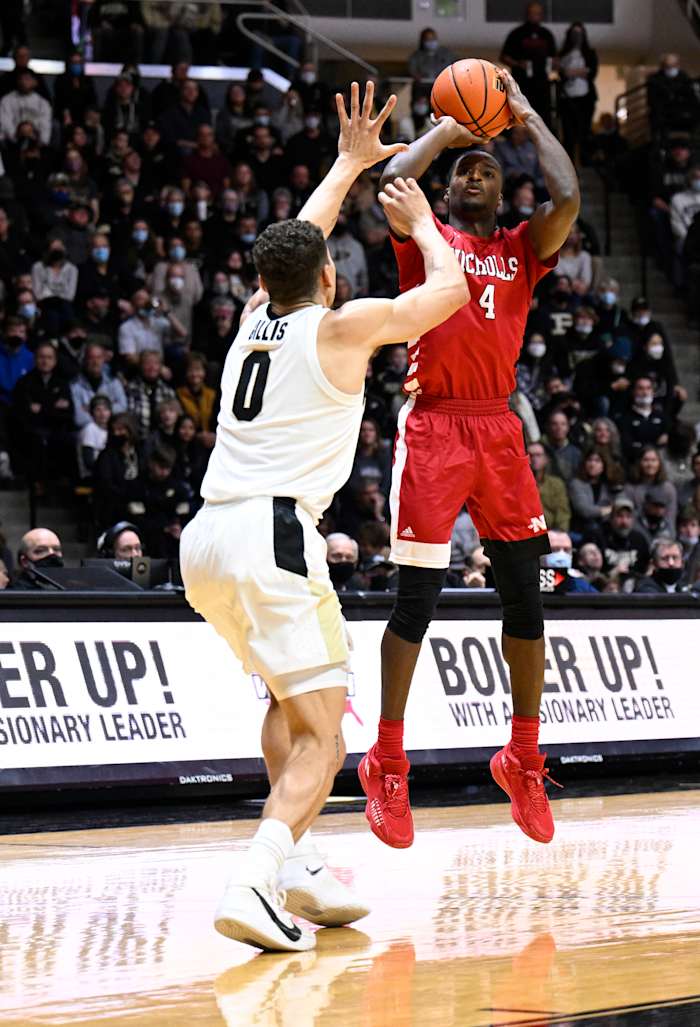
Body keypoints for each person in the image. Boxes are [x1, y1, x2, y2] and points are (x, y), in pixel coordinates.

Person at [180, 81, 467, 952]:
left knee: (284, 699)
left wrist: (346, 163)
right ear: (331, 278)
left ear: (267, 281)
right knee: (326, 737)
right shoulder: (342, 328)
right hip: (272, 534)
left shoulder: (253, 318)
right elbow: (444, 295)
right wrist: (422, 222)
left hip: (207, 539)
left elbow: (299, 239)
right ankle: (255, 877)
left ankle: (295, 858)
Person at [351, 66, 579, 851]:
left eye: (486, 170)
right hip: (437, 426)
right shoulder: (428, 242)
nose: (475, 176)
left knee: (526, 598)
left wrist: (523, 115)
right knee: (417, 598)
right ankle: (386, 756)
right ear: (446, 196)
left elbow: (569, 198)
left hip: (499, 430)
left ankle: (522, 752)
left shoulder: (521, 249)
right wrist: (451, 128)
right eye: (463, 174)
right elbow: (391, 182)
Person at [500, 2, 557, 126]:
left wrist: (553, 64)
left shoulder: (546, 34)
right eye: (532, 13)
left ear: (541, 15)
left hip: (542, 83)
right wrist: (518, 64)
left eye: (538, 13)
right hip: (522, 83)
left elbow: (554, 58)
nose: (535, 16)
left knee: (543, 116)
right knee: (520, 114)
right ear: (527, 14)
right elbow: (504, 57)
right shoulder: (516, 34)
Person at [557, 22, 598, 161]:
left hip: (585, 98)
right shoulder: (563, 54)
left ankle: (586, 161)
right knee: (569, 135)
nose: (577, 37)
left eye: (579, 33)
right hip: (567, 98)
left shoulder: (589, 53)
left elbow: (591, 72)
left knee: (584, 132)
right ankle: (570, 164)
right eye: (574, 33)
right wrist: (578, 72)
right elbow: (562, 72)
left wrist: (574, 72)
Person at [647, 54, 700, 138]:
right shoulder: (655, 79)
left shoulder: (683, 77)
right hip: (663, 114)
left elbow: (691, 96)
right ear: (663, 66)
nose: (671, 69)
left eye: (673, 65)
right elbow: (653, 100)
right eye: (668, 66)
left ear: (678, 66)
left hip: (681, 112)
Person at [527, 441, 571, 531]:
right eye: (531, 455)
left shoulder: (556, 484)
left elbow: (562, 512)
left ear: (546, 459)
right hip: (525, 533)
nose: (534, 459)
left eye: (538, 455)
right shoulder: (517, 485)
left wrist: (560, 532)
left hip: (552, 532)